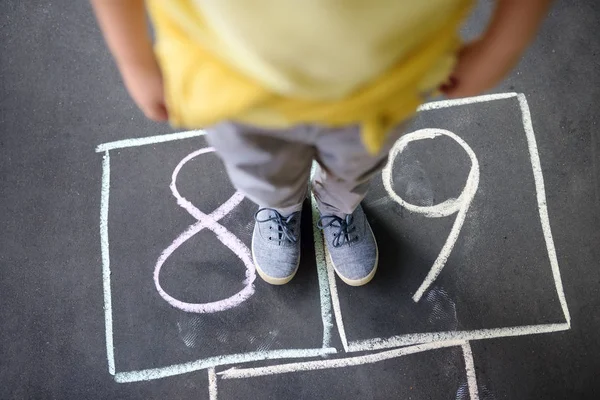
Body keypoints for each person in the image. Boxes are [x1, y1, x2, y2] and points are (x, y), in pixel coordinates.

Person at [91, 0, 552, 286]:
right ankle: (282, 207)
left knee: (358, 164)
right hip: (231, 77)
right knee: (261, 170)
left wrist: (504, 41)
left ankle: (339, 208)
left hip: (385, 76)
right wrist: (133, 57)